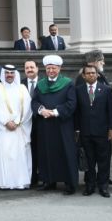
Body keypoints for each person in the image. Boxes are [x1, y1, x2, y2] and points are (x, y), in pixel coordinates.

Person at [31, 55, 77, 195]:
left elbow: (71, 103)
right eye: (48, 68)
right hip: (45, 126)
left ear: (59, 68)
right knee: (46, 153)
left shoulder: (68, 83)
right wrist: (41, 110)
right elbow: (34, 102)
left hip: (62, 125)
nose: (51, 70)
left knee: (65, 153)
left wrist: (56, 112)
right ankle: (48, 181)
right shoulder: (40, 85)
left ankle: (69, 183)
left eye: (54, 68)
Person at [75, 65, 112, 197]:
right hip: (85, 132)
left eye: (93, 73)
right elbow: (77, 113)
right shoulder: (78, 90)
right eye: (88, 73)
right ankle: (90, 185)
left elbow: (111, 111)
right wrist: (77, 130)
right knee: (89, 161)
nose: (91, 75)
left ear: (97, 74)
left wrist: (111, 129)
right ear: (84, 76)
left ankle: (103, 186)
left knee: (104, 160)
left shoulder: (106, 90)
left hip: (103, 132)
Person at [0, 65, 32, 190]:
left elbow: (28, 108)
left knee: (18, 155)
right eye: (7, 73)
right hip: (2, 129)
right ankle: (2, 182)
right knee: (2, 154)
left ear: (15, 74)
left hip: (19, 128)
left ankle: (19, 182)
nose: (9, 75)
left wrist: (17, 122)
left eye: (12, 73)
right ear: (3, 74)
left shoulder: (22, 88)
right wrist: (6, 121)